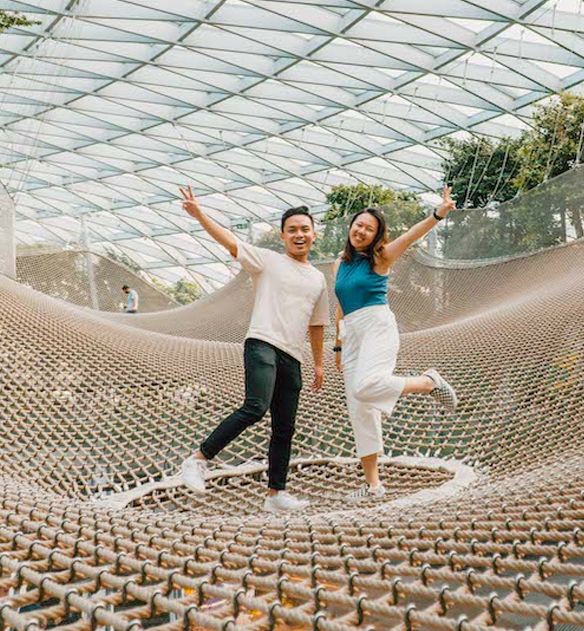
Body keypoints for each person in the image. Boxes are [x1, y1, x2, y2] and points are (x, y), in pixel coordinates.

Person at [176, 186, 330, 514]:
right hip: (262, 343)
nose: (299, 234)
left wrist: (318, 363)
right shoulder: (268, 260)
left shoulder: (318, 279)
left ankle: (275, 494)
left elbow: (317, 323)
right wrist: (200, 214)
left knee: (285, 426)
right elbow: (230, 243)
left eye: (305, 229)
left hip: (293, 355)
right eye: (292, 230)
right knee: (256, 407)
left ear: (314, 234)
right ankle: (198, 460)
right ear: (283, 236)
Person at [334, 188, 459, 502]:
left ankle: (428, 382)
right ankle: (374, 487)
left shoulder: (381, 257)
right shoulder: (340, 263)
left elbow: (412, 236)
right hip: (351, 334)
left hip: (376, 325)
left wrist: (439, 212)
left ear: (376, 236)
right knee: (359, 410)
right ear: (351, 226)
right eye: (358, 225)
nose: (361, 231)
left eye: (369, 229)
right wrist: (337, 345)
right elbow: (339, 302)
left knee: (366, 387)